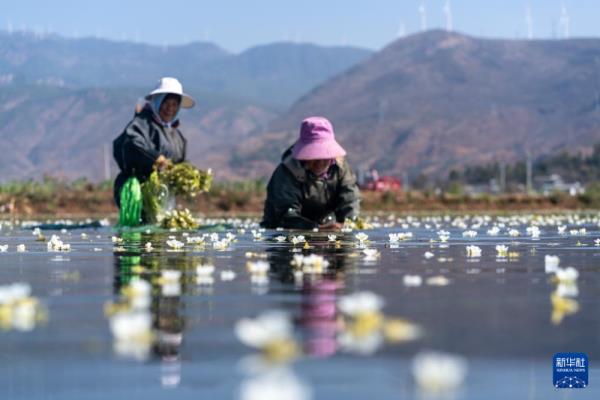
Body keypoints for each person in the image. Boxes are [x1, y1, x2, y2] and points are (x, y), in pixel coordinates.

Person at [261, 116, 360, 230]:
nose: (321, 162)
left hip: (327, 226)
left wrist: (348, 225)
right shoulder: (287, 172)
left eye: (325, 157)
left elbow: (350, 202)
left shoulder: (341, 168)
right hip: (282, 230)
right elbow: (286, 214)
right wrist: (317, 228)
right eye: (315, 157)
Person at [113, 77, 195, 207]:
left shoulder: (178, 138)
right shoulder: (142, 124)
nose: (170, 109)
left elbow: (179, 163)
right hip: (140, 192)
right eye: (166, 103)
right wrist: (156, 159)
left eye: (174, 105)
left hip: (164, 195)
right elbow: (132, 144)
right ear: (157, 102)